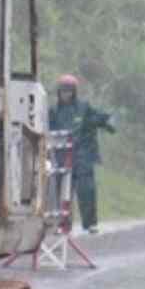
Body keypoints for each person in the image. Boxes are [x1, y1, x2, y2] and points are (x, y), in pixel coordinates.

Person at [50, 75, 116, 233]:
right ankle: (63, 224)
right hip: (62, 157)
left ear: (74, 92)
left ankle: (90, 224)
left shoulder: (83, 108)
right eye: (63, 91)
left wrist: (109, 123)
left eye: (69, 91)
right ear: (58, 92)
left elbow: (100, 118)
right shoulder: (53, 111)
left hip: (83, 156)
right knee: (62, 192)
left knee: (87, 190)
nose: (66, 94)